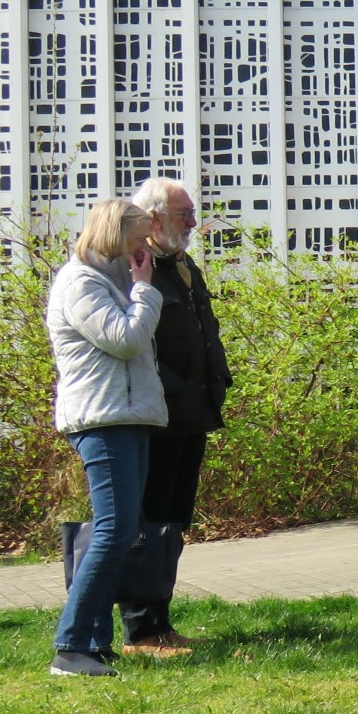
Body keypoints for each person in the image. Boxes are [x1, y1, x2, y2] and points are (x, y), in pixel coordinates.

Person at [46, 198, 167, 677]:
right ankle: (70, 647)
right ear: (115, 237)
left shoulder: (111, 280)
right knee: (114, 529)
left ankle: (92, 643)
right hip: (101, 418)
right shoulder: (80, 282)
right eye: (138, 241)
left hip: (127, 415)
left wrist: (139, 286)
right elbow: (126, 339)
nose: (144, 251)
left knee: (115, 530)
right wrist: (144, 291)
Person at [115, 178, 231, 654]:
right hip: (159, 417)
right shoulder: (133, 268)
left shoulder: (183, 266)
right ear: (154, 218)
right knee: (150, 521)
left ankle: (161, 622)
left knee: (173, 522)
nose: (192, 221)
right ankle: (141, 630)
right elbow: (137, 344)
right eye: (184, 213)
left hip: (192, 415)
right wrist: (177, 389)